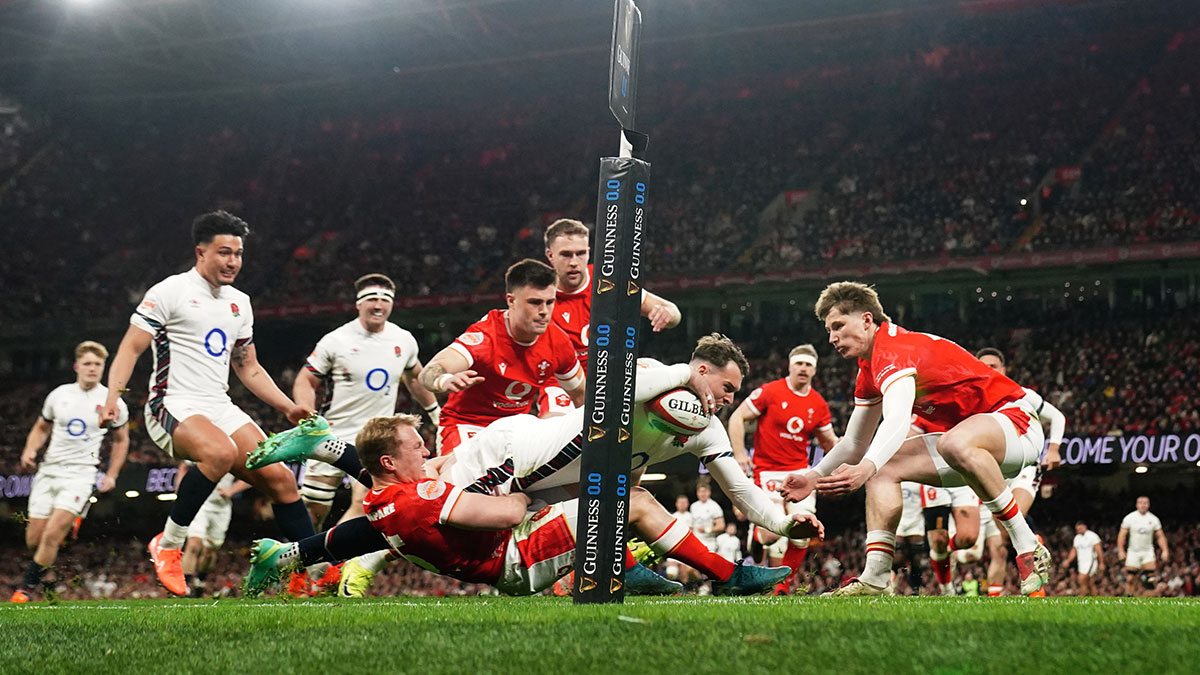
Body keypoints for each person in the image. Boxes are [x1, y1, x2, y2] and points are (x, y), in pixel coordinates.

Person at [248, 335, 818, 594]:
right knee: (405, 503)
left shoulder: (709, 429)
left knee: (402, 509)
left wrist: (788, 524)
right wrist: (680, 374)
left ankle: (296, 536)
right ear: (700, 369)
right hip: (513, 458)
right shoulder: (652, 378)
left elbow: (742, 492)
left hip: (540, 486)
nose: (725, 398)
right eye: (723, 385)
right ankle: (320, 449)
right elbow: (611, 391)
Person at [244, 415, 819, 597]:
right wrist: (520, 489)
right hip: (515, 556)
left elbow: (374, 509)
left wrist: (298, 550)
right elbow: (509, 512)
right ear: (395, 462)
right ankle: (732, 576)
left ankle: (291, 548)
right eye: (416, 446)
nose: (426, 450)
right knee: (633, 498)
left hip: (497, 555)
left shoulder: (386, 500)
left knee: (600, 504)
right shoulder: (417, 496)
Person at [780, 281, 1050, 596]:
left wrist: (865, 467)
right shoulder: (869, 367)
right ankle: (876, 577)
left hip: (1017, 424)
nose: (832, 338)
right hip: (972, 446)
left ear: (867, 320)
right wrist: (814, 477)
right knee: (886, 467)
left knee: (941, 446)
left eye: (838, 326)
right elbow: (854, 442)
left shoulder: (894, 349)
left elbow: (896, 418)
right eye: (829, 330)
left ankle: (1027, 544)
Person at [99, 210, 315, 597]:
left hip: (219, 404)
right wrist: (112, 398)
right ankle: (167, 547)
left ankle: (307, 572)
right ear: (201, 252)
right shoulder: (169, 291)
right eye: (223, 252)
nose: (232, 261)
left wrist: (288, 407)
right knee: (218, 453)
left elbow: (248, 367)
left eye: (238, 253)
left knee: (282, 480)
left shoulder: (240, 303)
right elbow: (130, 347)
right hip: (171, 404)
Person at [293, 273, 438, 530]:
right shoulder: (336, 341)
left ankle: (334, 564)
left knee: (365, 504)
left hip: (372, 438)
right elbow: (306, 379)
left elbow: (415, 376)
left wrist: (435, 413)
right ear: (358, 303)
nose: (378, 305)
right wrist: (308, 416)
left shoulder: (402, 339)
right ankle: (303, 562)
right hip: (331, 436)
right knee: (314, 510)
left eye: (385, 299)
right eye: (371, 298)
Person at [419, 259, 584, 454]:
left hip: (516, 433)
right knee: (466, 482)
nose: (544, 312)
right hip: (468, 428)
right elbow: (428, 373)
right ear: (511, 300)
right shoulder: (485, 338)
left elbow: (581, 395)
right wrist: (445, 380)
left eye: (550, 302)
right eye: (534, 302)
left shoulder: (558, 341)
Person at [11, 341, 130, 603]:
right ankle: (49, 578)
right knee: (34, 539)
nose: (92, 369)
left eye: (98, 364)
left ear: (103, 368)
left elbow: (121, 440)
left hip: (82, 473)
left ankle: (25, 590)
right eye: (87, 363)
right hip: (50, 470)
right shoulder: (59, 394)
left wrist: (112, 474)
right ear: (77, 366)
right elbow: (42, 427)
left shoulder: (112, 401)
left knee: (52, 534)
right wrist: (30, 450)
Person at [538, 219, 680, 415]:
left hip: (613, 374)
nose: (574, 262)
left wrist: (667, 313)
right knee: (555, 429)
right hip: (562, 383)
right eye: (566, 254)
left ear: (588, 251)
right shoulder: (538, 295)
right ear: (550, 256)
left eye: (580, 254)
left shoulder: (609, 281)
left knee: (675, 401)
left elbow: (673, 312)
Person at [728, 344, 837, 593]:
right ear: (789, 365)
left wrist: (850, 449)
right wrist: (740, 453)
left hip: (800, 474)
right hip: (767, 473)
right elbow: (737, 417)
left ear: (815, 370)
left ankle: (781, 589)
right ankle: (757, 537)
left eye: (808, 364)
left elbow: (830, 442)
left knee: (803, 531)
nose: (803, 368)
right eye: (799, 363)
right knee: (773, 534)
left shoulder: (818, 404)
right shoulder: (770, 391)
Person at [974, 347, 1067, 597]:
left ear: (1003, 370)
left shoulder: (1021, 394)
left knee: (1015, 513)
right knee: (1003, 541)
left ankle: (1036, 590)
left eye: (992, 366)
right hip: (994, 470)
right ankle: (1034, 544)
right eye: (982, 365)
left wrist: (1054, 449)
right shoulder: (973, 400)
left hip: (1025, 466)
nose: (987, 370)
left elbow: (1057, 417)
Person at [179, 466, 251, 596]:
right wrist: (180, 489)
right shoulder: (202, 446)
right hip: (199, 503)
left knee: (209, 551)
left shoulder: (235, 450)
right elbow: (184, 466)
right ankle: (184, 587)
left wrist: (232, 491)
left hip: (221, 508)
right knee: (194, 544)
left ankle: (200, 582)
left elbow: (251, 475)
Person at [1117, 496, 1168, 597]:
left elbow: (1160, 536)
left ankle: (1153, 601)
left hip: (1147, 551)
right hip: (1133, 551)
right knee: (1130, 578)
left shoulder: (1154, 519)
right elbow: (1122, 535)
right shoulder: (1129, 518)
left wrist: (1165, 550)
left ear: (1148, 505)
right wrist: (1120, 550)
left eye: (1145, 503)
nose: (1143, 505)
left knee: (1150, 578)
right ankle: (1129, 600)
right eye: (1141, 503)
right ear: (1137, 505)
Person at [1063, 521, 1104, 596]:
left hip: (1091, 561)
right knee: (1089, 582)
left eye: (1080, 529)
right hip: (1081, 562)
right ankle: (1095, 598)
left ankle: (1082, 597)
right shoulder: (1077, 538)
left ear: (1085, 527)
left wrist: (1101, 563)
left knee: (1081, 579)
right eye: (1077, 529)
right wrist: (1068, 561)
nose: (1078, 531)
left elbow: (1099, 550)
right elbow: (1074, 551)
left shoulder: (1092, 536)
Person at [689, 482, 725, 552]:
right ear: (697, 493)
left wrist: (706, 530)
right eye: (700, 492)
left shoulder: (714, 506)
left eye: (704, 491)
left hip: (709, 543)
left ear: (709, 492)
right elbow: (692, 524)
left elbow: (721, 526)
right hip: (696, 542)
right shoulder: (693, 506)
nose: (702, 494)